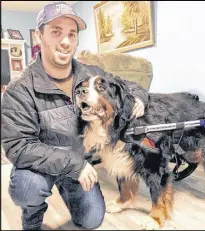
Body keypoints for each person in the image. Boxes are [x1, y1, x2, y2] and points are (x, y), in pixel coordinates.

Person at [1, 2, 148, 230]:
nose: (66, 41)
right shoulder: (19, 89)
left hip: (79, 163)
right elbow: (18, 146)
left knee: (92, 220)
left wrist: (139, 98)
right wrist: (74, 164)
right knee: (27, 187)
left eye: (72, 33)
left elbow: (128, 85)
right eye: (56, 32)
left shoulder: (92, 73)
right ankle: (32, 215)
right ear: (40, 36)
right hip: (43, 165)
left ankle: (69, 190)